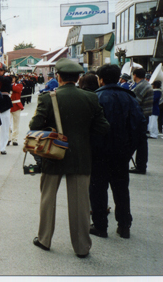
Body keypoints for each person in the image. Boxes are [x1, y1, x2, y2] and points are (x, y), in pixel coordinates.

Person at [30, 58, 109, 258]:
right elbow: (103, 128)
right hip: (81, 156)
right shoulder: (91, 98)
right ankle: (82, 247)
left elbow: (35, 125)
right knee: (80, 203)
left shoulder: (48, 98)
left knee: (48, 198)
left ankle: (44, 239)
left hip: (53, 153)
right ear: (78, 78)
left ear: (58, 76)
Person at [89, 64, 147, 240]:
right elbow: (140, 126)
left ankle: (100, 226)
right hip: (122, 153)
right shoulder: (130, 98)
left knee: (98, 189)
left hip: (99, 153)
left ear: (101, 79)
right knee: (121, 189)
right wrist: (130, 148)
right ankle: (124, 225)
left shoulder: (96, 98)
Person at [129, 67, 153, 174]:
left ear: (135, 75)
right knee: (141, 142)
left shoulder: (141, 86)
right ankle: (141, 165)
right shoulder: (146, 84)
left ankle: (140, 165)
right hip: (144, 116)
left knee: (137, 142)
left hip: (139, 117)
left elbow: (135, 102)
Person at [9, 75, 24, 146]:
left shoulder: (19, 85)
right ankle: (8, 138)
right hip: (8, 106)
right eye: (10, 78)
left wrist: (9, 85)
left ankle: (15, 139)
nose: (12, 79)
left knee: (16, 124)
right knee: (7, 124)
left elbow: (18, 89)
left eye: (13, 78)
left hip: (16, 105)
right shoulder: (6, 85)